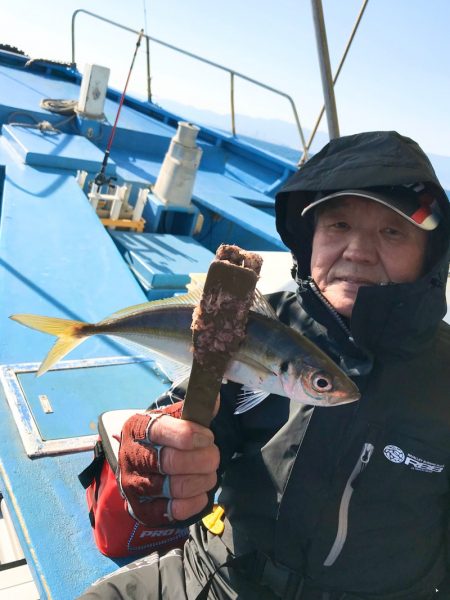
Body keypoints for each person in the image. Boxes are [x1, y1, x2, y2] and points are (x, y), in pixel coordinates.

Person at [79, 131, 450, 600]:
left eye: (392, 231)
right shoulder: (253, 321)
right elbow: (182, 413)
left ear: (430, 257)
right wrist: (156, 453)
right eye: (337, 224)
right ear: (310, 238)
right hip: (212, 575)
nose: (357, 250)